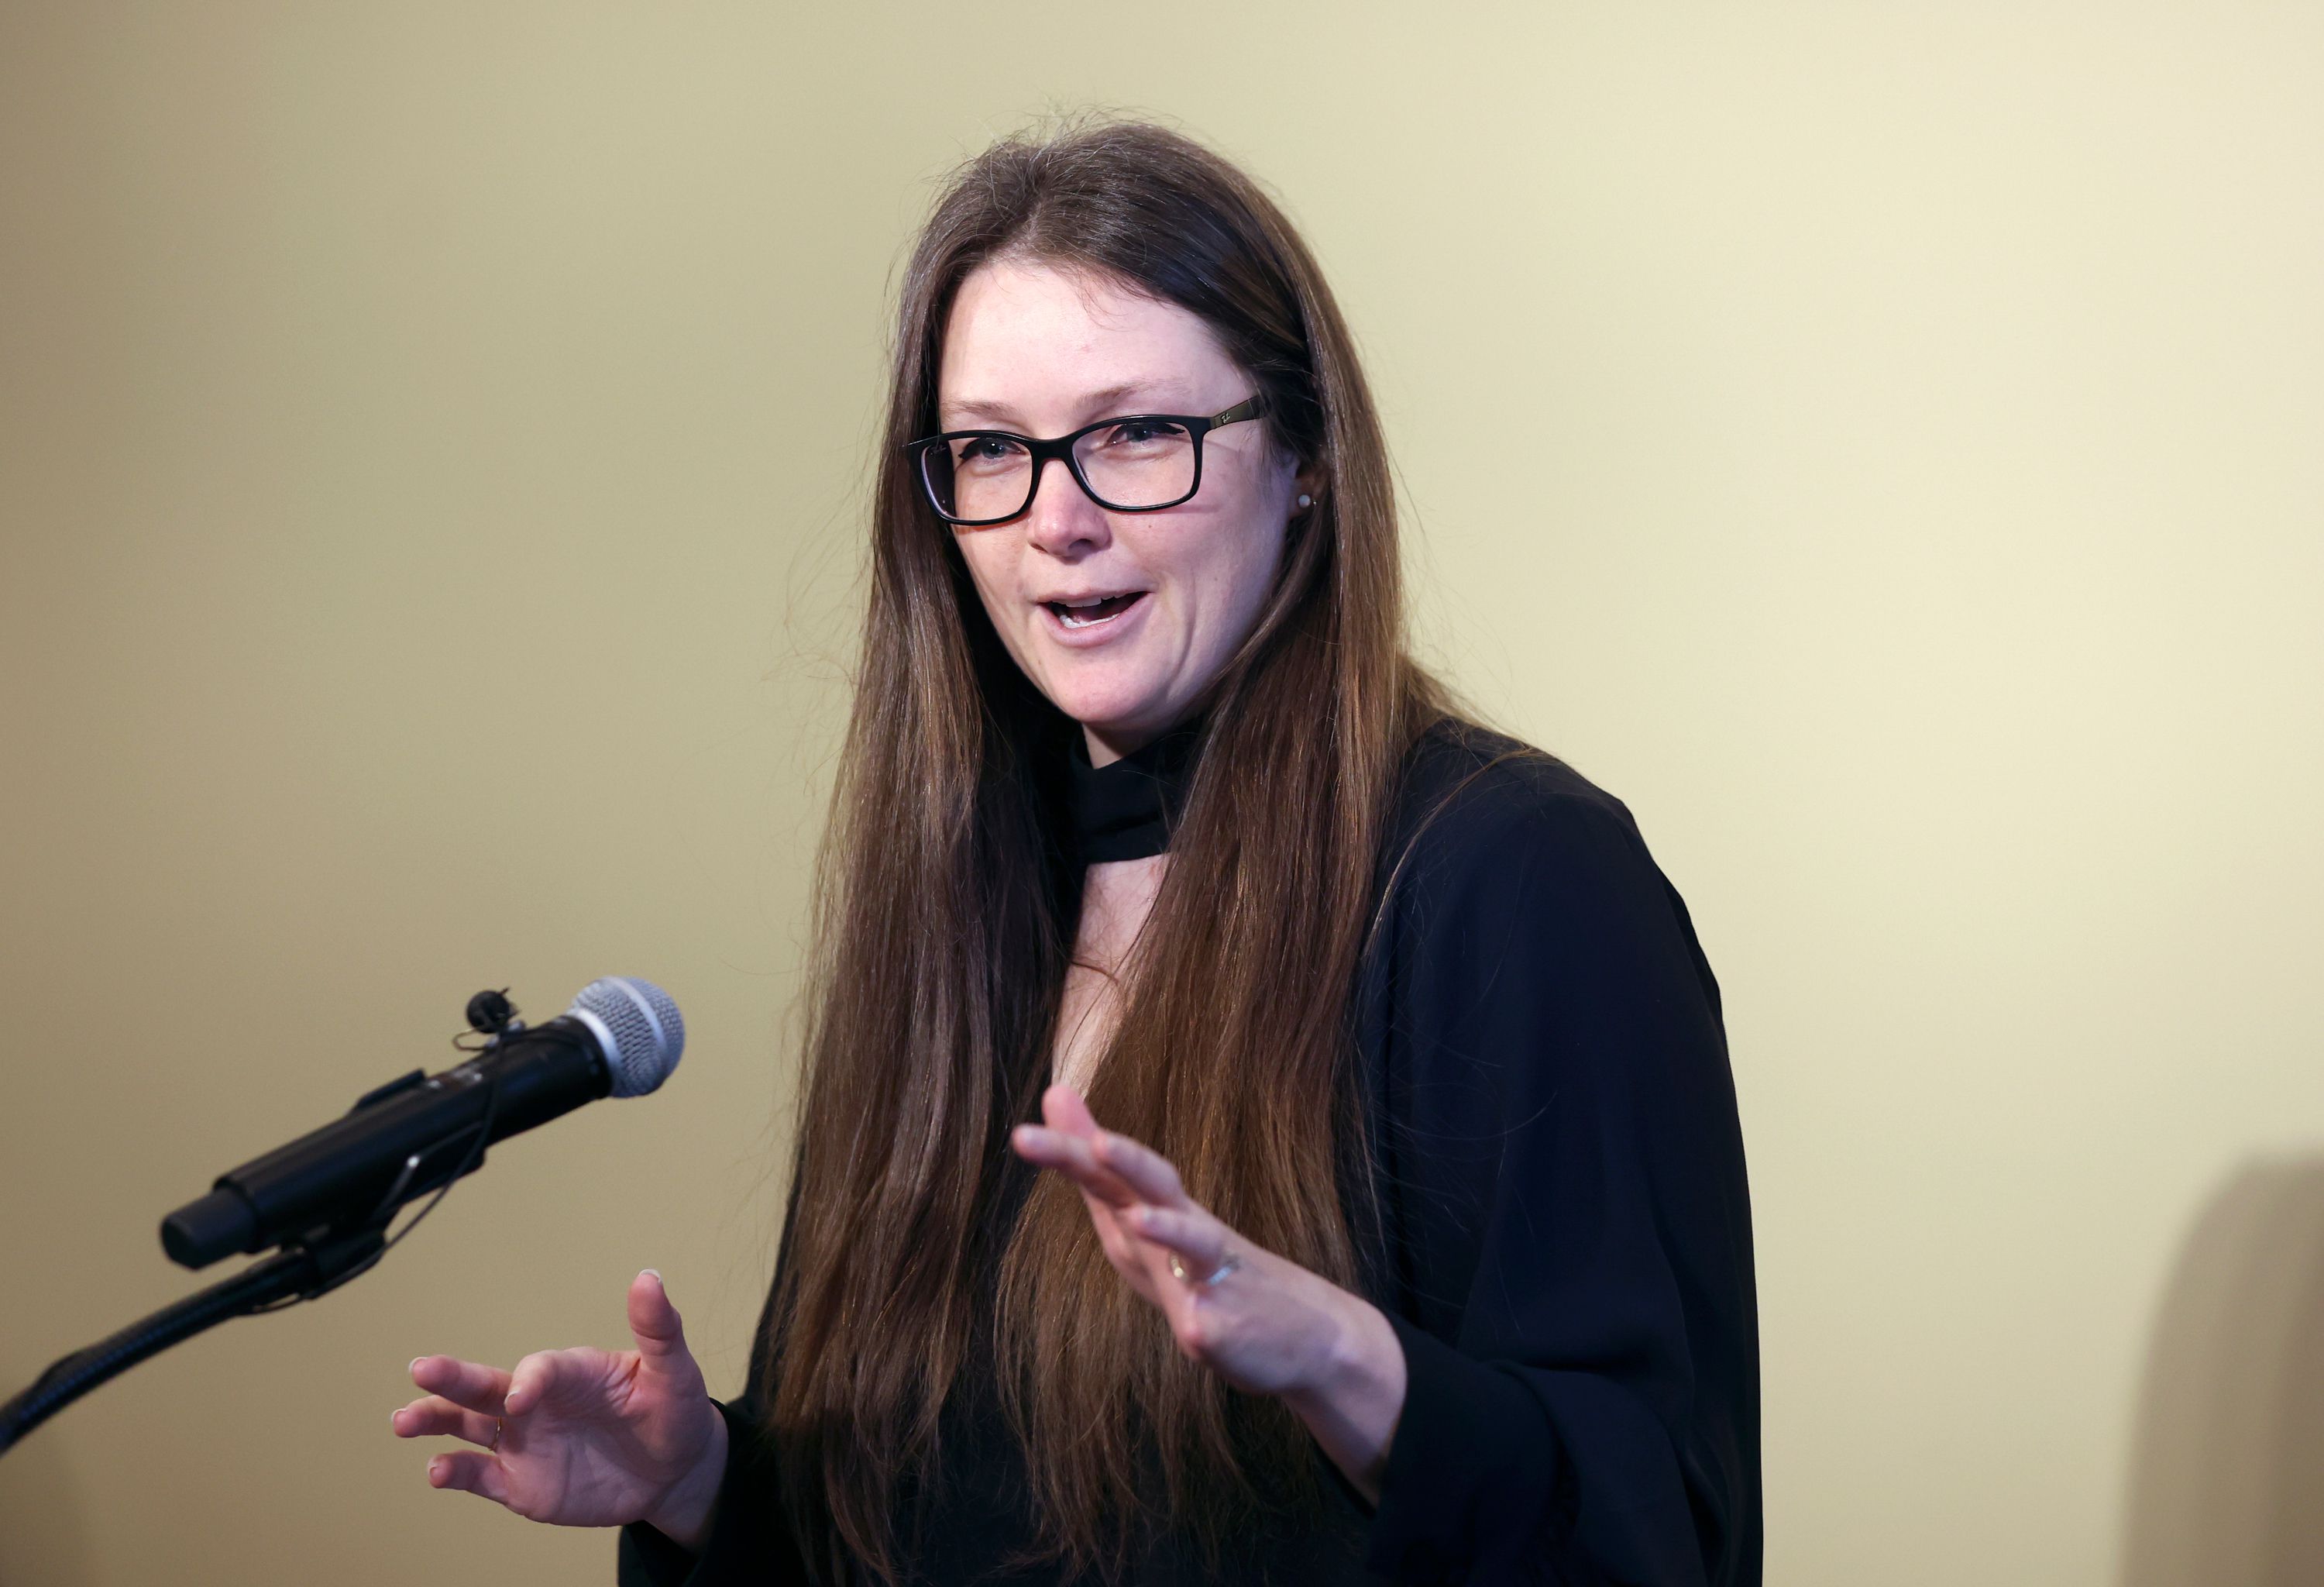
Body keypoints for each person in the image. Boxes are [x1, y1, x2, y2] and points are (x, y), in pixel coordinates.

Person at [390, 119, 1759, 1585]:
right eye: (991, 450)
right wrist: (711, 1490)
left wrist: (1345, 1361)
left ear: (1303, 457)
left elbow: (1655, 1538)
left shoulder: (1517, 876)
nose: (1058, 519)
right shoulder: (963, 893)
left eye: (1133, 435)